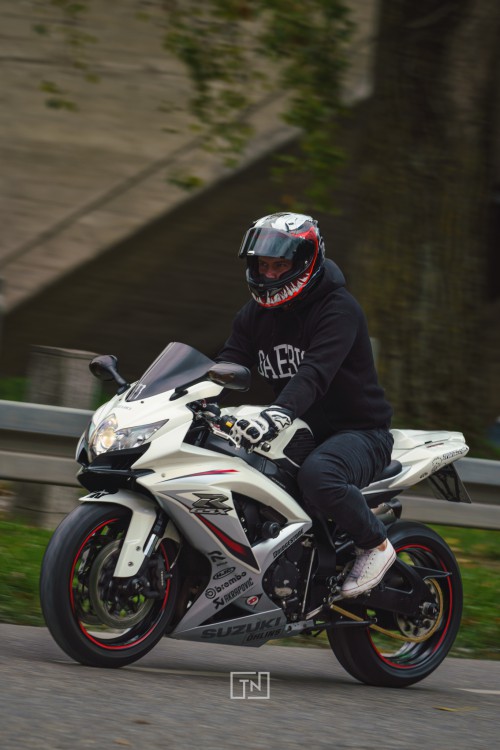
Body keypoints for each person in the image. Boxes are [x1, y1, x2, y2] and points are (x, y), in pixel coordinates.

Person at [216, 212, 396, 597]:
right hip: (300, 429)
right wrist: (179, 397)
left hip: (360, 432)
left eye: (279, 265)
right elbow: (225, 369)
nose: (268, 274)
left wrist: (278, 412)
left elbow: (314, 374)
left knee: (319, 475)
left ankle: (375, 544)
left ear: (305, 262)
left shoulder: (338, 309)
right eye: (262, 265)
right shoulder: (253, 316)